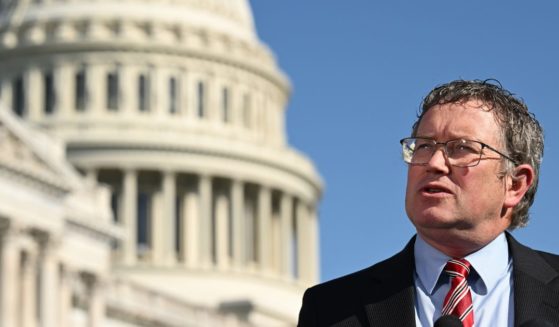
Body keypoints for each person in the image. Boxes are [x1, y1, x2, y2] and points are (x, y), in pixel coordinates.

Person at [297, 79, 559, 327]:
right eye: (423, 146)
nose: (434, 163)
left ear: (514, 184)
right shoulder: (331, 309)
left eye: (462, 148)